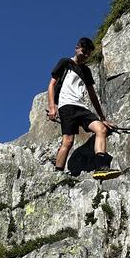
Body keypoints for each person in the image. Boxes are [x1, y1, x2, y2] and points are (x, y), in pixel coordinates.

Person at [47, 37, 116, 176]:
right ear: (77, 48)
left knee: (101, 129)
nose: (85, 55)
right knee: (68, 141)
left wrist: (102, 118)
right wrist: (52, 107)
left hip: (81, 107)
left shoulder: (86, 71)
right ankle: (57, 174)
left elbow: (92, 95)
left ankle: (101, 167)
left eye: (88, 54)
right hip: (66, 106)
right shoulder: (65, 62)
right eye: (83, 52)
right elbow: (52, 84)